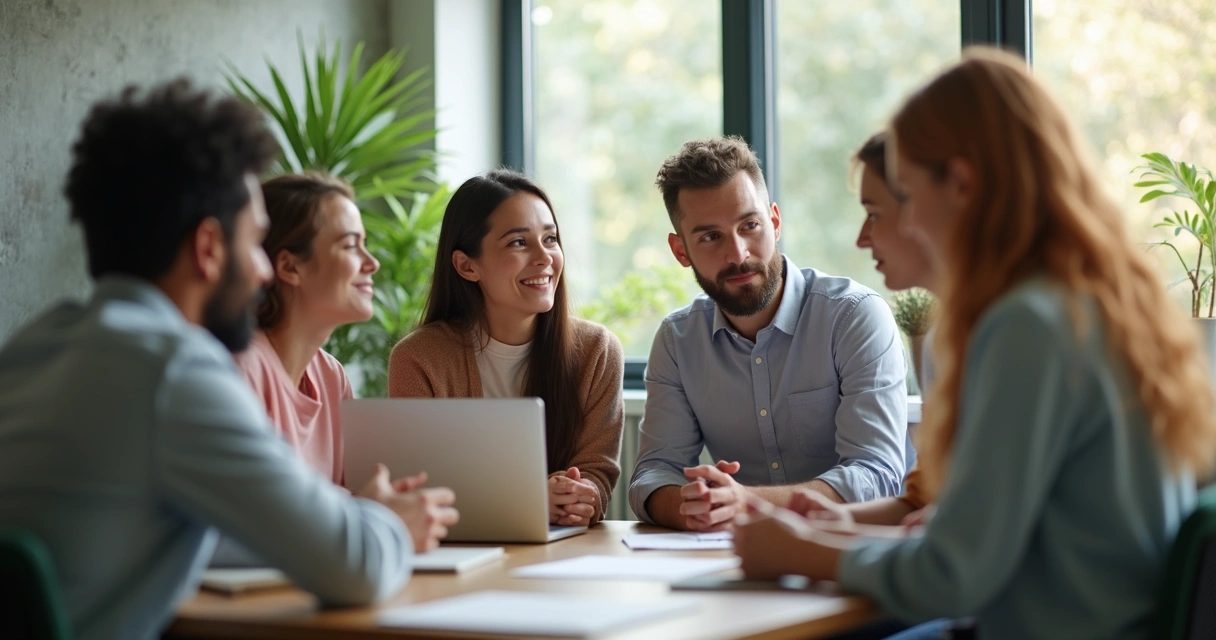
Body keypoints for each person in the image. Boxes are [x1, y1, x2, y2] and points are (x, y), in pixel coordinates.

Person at [734, 48, 1216, 639]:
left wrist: (792, 552)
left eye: (907, 192)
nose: (906, 223)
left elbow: (953, 574)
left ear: (960, 183)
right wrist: (826, 535)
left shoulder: (1026, 326)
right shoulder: (1098, 302)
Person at [0, 80, 458, 640]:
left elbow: (216, 535)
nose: (264, 271)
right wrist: (391, 522)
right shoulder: (172, 370)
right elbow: (353, 567)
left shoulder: (32, 347)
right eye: (254, 243)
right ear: (209, 248)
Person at [628, 136, 910, 533]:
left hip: (856, 546)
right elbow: (653, 475)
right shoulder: (678, 341)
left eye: (750, 225)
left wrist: (744, 502)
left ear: (775, 222)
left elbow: (876, 476)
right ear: (681, 251)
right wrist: (690, 504)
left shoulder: (854, 317)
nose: (738, 253)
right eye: (710, 237)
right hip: (739, 557)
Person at [388, 170, 624, 527]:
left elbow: (597, 473)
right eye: (518, 243)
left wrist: (581, 495)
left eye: (550, 239)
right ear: (467, 266)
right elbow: (416, 490)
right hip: (461, 556)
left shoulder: (597, 351)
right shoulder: (418, 359)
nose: (544, 257)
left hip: (564, 553)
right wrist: (528, 501)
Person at [235, 172, 379, 485]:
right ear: (290, 266)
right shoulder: (243, 369)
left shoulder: (332, 377)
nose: (371, 263)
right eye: (351, 246)